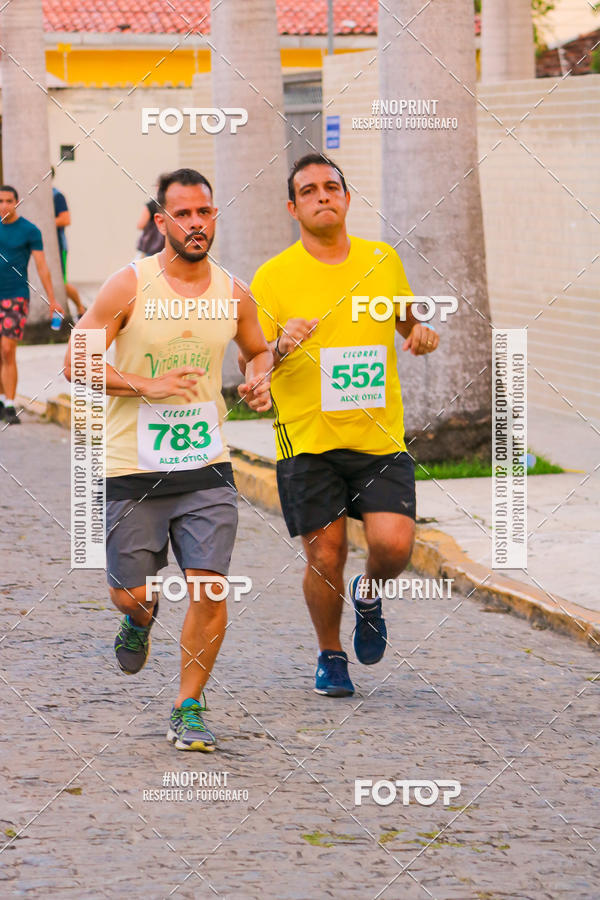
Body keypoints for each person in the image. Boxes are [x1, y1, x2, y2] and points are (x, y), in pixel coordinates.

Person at [64, 168, 272, 751]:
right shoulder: (127, 286)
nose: (196, 223)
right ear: (162, 222)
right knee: (130, 593)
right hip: (132, 465)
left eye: (204, 212)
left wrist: (259, 380)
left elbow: (257, 351)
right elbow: (75, 362)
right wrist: (144, 384)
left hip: (206, 463)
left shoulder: (234, 292)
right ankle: (139, 616)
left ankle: (189, 706)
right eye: (183, 214)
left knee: (210, 588)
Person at [249, 153, 439, 697]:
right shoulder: (273, 276)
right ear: (293, 208)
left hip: (378, 436)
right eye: (308, 191)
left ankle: (369, 592)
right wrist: (281, 345)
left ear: (347, 198)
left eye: (331, 187)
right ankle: (330, 654)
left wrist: (420, 333)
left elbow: (407, 321)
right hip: (307, 440)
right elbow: (253, 360)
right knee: (325, 553)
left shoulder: (382, 260)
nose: (322, 196)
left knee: (394, 547)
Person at [0, 185, 64, 425]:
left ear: (17, 203)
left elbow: (42, 266)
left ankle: (10, 403)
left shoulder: (29, 230)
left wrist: (52, 300)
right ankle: (1, 399)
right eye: (0, 201)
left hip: (16, 296)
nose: (4, 206)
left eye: (9, 201)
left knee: (8, 349)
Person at [51, 168, 86, 320]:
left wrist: (43, 222)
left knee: (61, 283)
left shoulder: (57, 196)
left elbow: (65, 219)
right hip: (39, 248)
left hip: (59, 247)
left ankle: (80, 308)